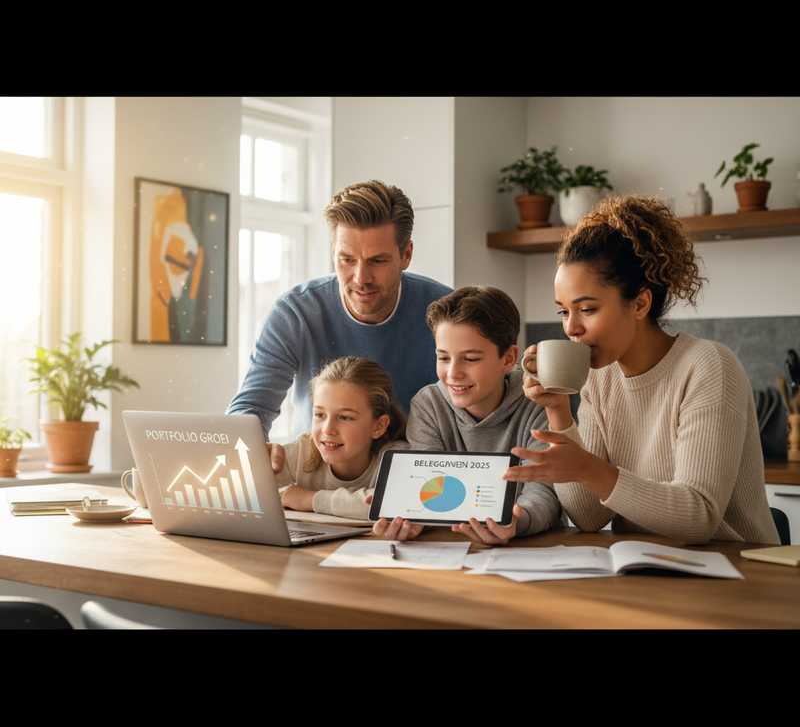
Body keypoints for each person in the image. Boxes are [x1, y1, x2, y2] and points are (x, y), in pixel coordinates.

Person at [507, 194, 779, 545]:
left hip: (739, 571)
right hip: (649, 570)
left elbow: (698, 517)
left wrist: (591, 468)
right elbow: (588, 516)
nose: (570, 328)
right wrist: (557, 409)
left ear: (639, 303)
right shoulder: (600, 379)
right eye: (563, 311)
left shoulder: (708, 366)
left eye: (586, 309)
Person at [226, 180, 451, 447]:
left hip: (418, 477)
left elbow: (489, 401)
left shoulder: (447, 312)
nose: (360, 278)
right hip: (318, 472)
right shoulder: (296, 313)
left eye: (377, 261)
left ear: (406, 254)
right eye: (347, 259)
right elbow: (250, 410)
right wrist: (255, 452)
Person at [372, 286, 563, 544]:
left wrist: (517, 520)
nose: (453, 373)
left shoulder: (537, 401)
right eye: (443, 357)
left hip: (529, 548)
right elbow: (429, 487)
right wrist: (409, 515)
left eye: (470, 359)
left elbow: (545, 489)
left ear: (508, 358)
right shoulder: (428, 404)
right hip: (450, 548)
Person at [273, 357, 408, 520]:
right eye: (319, 415)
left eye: (345, 417)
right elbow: (249, 492)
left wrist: (310, 500)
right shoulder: (303, 451)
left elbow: (393, 503)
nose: (327, 429)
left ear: (378, 426)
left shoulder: (397, 458)